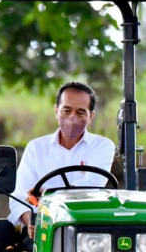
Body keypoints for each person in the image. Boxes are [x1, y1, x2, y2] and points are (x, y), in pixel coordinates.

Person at [8, 81, 116, 236]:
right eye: (66, 111)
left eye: (80, 113)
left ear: (91, 116)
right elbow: (19, 196)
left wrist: (47, 193)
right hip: (43, 229)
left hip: (87, 230)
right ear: (56, 111)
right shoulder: (36, 148)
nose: (72, 118)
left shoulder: (102, 146)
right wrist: (30, 222)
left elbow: (92, 186)